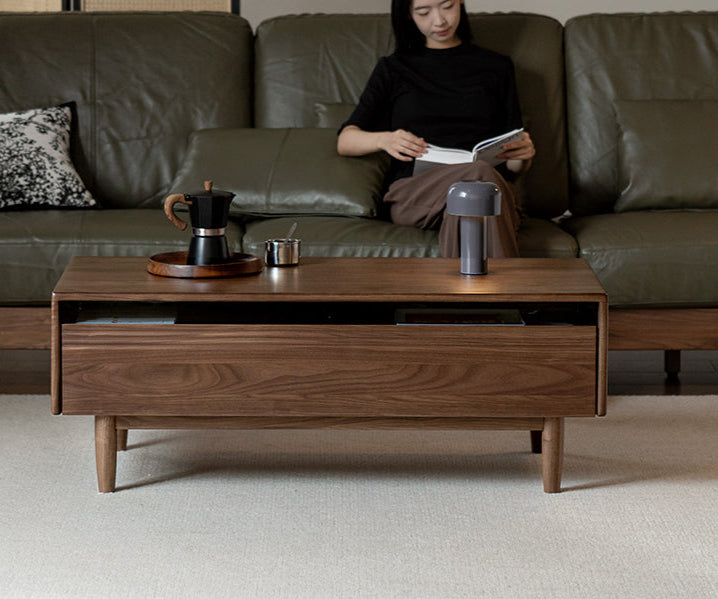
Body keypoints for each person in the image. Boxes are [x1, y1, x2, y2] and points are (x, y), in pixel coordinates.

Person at [337, 0, 535, 258]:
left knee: (472, 196)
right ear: (408, 15)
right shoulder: (394, 68)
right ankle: (509, 295)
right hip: (417, 192)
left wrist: (523, 156)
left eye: (447, 6)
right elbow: (345, 140)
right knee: (478, 182)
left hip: (491, 189)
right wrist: (385, 140)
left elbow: (512, 164)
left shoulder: (497, 66)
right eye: (424, 11)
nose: (439, 20)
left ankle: (458, 298)